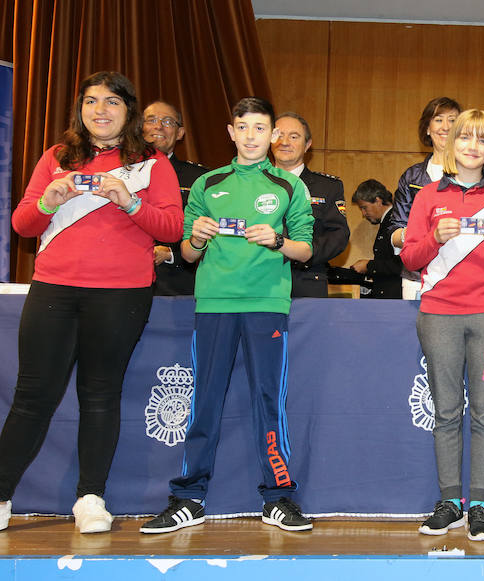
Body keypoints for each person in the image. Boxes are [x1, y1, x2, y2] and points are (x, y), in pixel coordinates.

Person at [0, 71, 183, 533]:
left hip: (121, 295)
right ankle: (1, 497)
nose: (100, 110)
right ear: (80, 110)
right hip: (55, 290)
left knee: (100, 396)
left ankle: (91, 499)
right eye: (90, 101)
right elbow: (22, 224)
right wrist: (48, 201)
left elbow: (171, 229)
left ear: (129, 111)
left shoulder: (152, 164)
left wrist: (129, 203)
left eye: (112, 102)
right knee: (32, 397)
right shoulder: (57, 157)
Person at [141, 97, 315, 534]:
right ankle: (188, 497)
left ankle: (277, 497)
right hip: (215, 304)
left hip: (266, 305)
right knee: (205, 401)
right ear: (231, 131)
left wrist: (277, 241)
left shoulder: (289, 187)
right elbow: (187, 253)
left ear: (272, 135)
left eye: (261, 128)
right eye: (244, 127)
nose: (252, 136)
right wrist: (195, 239)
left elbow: (306, 249)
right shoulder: (206, 184)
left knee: (267, 402)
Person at [401, 109, 484, 541]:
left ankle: (480, 506)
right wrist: (434, 238)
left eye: (483, 140)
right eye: (465, 138)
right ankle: (450, 502)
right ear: (451, 144)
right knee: (447, 412)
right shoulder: (427, 196)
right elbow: (409, 257)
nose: (473, 146)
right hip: (438, 314)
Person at [389, 97, 462, 299]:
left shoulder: (475, 176)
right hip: (416, 279)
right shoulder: (412, 177)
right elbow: (395, 231)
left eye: (453, 120)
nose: (445, 127)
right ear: (428, 129)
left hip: (463, 278)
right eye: (438, 120)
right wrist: (413, 235)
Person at [271, 112, 349, 297]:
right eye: (279, 135)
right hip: (260, 280)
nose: (285, 142)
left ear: (307, 145)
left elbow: (338, 235)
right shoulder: (254, 183)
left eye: (294, 136)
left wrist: (302, 254)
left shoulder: (328, 186)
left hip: (306, 279)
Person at [143, 100, 208, 296]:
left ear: (180, 133)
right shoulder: (119, 172)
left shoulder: (198, 179)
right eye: (151, 120)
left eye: (168, 121)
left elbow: (211, 236)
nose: (158, 126)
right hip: (121, 282)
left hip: (176, 287)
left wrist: (172, 255)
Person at [350, 179, 403, 299]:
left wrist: (369, 266)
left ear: (378, 201)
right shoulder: (390, 220)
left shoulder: (395, 222)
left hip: (394, 299)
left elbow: (403, 264)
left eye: (364, 207)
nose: (363, 213)